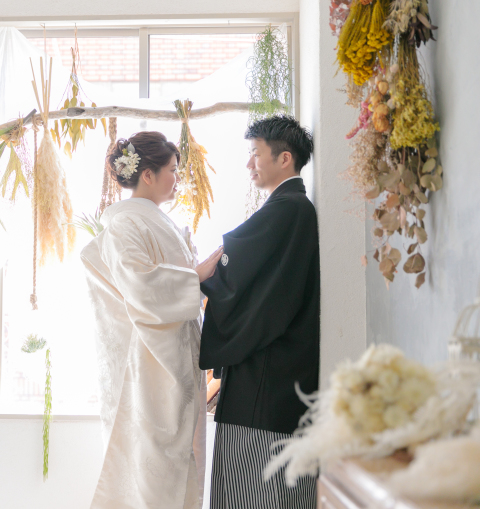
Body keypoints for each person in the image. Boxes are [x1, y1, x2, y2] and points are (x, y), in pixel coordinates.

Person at [81, 131, 222, 509]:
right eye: (172, 170)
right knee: (153, 475)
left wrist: (196, 278)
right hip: (150, 365)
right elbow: (141, 287)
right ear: (147, 175)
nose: (177, 178)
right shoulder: (125, 226)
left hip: (177, 358)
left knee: (182, 465)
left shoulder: (160, 222)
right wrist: (195, 277)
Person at [199, 115, 320, 509]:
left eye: (255, 154)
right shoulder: (293, 207)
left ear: (284, 159)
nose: (249, 164)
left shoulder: (288, 209)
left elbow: (235, 272)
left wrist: (204, 276)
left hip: (266, 384)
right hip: (279, 378)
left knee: (254, 491)